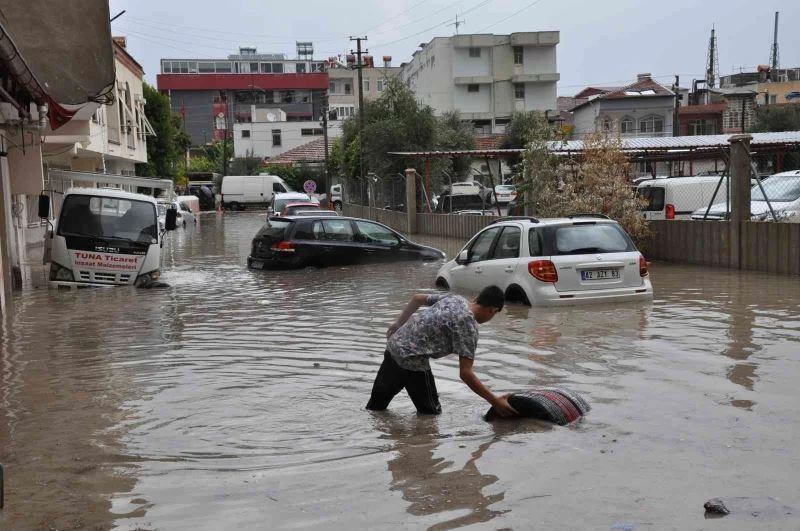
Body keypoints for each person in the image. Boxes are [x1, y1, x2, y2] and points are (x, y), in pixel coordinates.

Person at [366, 286, 518, 417]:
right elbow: (466, 373)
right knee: (431, 415)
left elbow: (417, 298)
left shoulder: (456, 299)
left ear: (477, 298)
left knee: (375, 409)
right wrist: (494, 401)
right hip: (413, 362)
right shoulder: (468, 327)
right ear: (493, 310)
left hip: (394, 347)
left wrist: (399, 323)